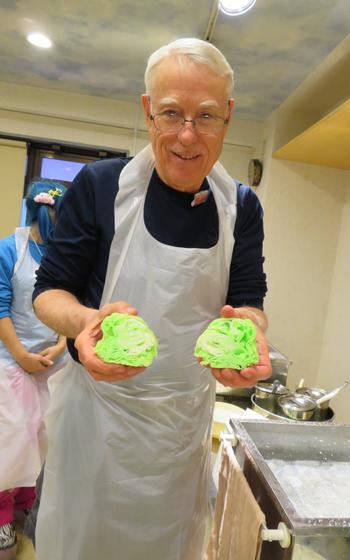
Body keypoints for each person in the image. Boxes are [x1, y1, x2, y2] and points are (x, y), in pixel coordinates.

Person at [32, 38, 271, 560]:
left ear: (227, 118)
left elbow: (248, 297)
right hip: (96, 424)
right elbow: (47, 293)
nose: (187, 135)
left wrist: (251, 330)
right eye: (171, 113)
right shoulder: (100, 186)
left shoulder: (241, 207)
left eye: (205, 116)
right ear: (147, 111)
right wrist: (85, 322)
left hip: (180, 431)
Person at [0, 180, 68, 559]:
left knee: (43, 445)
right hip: (10, 364)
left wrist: (59, 345)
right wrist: (22, 356)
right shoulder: (10, 248)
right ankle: (2, 519)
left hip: (54, 366)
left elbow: (69, 302)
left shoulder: (65, 252)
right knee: (7, 449)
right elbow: (0, 306)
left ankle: (26, 508)